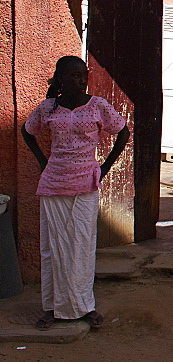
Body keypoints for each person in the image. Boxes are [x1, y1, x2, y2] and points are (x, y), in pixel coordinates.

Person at [20, 56, 130, 330]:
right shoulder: (48, 108)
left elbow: (123, 132)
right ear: (61, 79)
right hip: (53, 183)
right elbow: (27, 131)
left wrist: (103, 168)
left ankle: (84, 307)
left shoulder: (97, 106)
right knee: (53, 246)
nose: (81, 81)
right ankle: (53, 308)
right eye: (75, 76)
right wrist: (42, 162)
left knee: (81, 245)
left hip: (85, 184)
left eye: (84, 76)